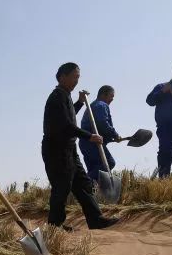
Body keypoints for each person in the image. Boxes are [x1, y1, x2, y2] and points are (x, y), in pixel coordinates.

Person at [41, 63, 119, 231]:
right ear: (63, 76)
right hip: (57, 150)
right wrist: (89, 136)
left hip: (69, 149)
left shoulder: (65, 96)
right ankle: (55, 226)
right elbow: (65, 125)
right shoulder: (57, 97)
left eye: (78, 77)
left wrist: (80, 102)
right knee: (62, 187)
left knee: (83, 185)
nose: (77, 81)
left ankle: (96, 220)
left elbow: (69, 117)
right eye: (74, 77)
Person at [79, 85, 121, 179]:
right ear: (103, 95)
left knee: (94, 169)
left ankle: (90, 189)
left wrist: (111, 138)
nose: (112, 99)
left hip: (85, 142)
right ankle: (84, 183)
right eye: (111, 96)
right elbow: (102, 123)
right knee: (109, 163)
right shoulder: (101, 105)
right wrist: (115, 134)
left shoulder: (94, 105)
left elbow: (99, 127)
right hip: (93, 142)